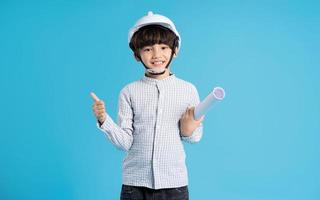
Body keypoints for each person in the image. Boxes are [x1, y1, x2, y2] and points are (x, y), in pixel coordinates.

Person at [91, 11, 204, 200]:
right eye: (148, 49)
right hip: (134, 185)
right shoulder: (129, 92)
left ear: (175, 51)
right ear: (137, 55)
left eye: (163, 47)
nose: (156, 55)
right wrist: (104, 120)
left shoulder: (188, 90)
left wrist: (188, 129)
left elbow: (195, 137)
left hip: (174, 185)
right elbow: (125, 142)